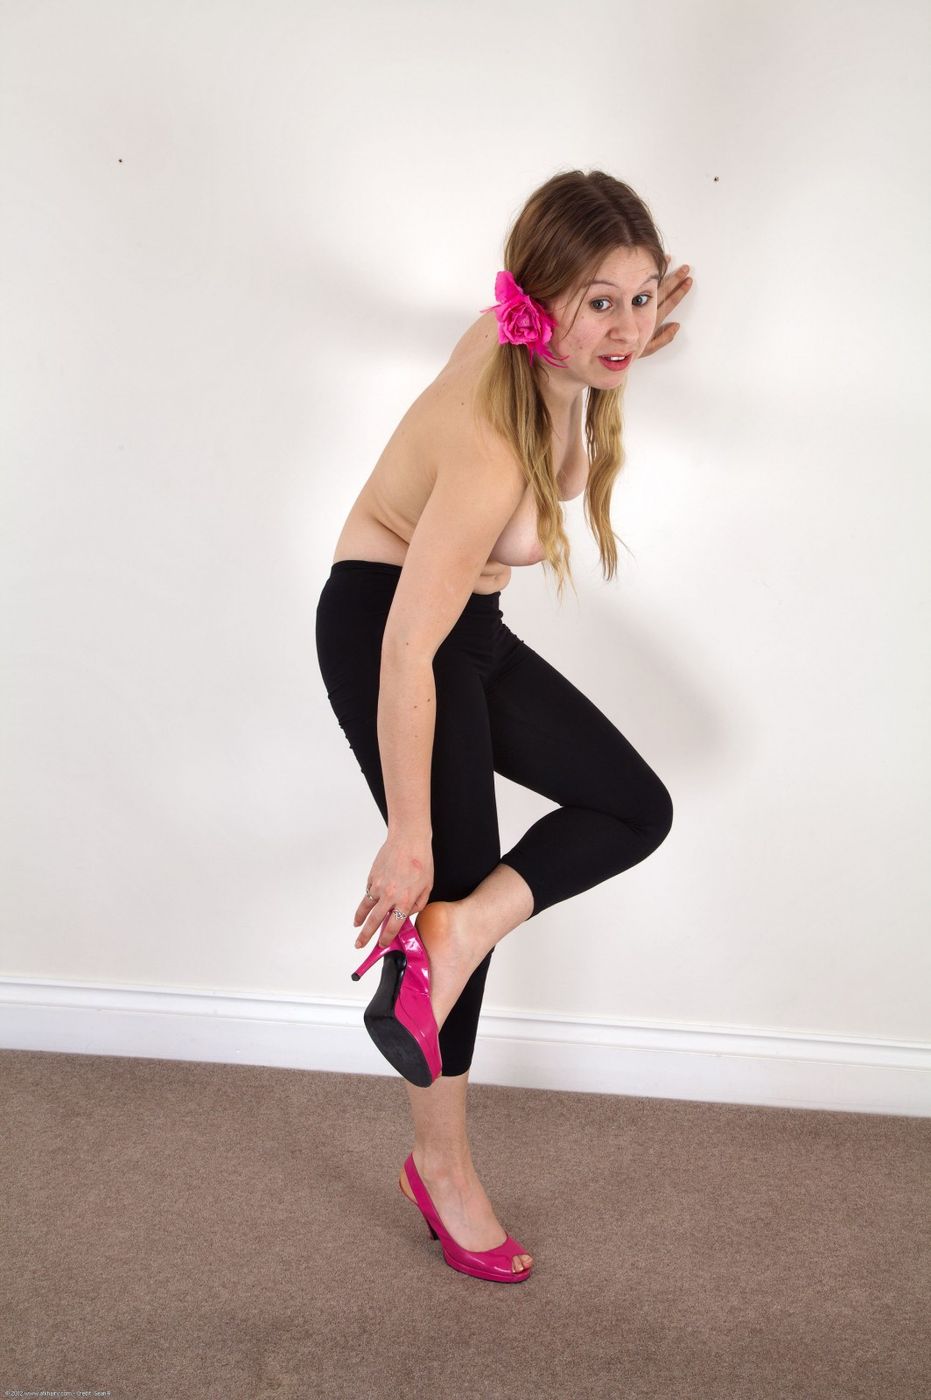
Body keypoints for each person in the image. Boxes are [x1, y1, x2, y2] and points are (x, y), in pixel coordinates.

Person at [315, 168, 693, 1283]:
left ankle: (456, 933)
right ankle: (441, 1166)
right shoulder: (485, 442)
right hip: (388, 627)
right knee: (452, 867)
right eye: (599, 302)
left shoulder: (531, 347)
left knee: (632, 806)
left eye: (640, 297)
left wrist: (602, 357)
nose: (628, 326)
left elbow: (563, 464)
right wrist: (409, 833)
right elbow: (403, 651)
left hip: (465, 629)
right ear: (541, 297)